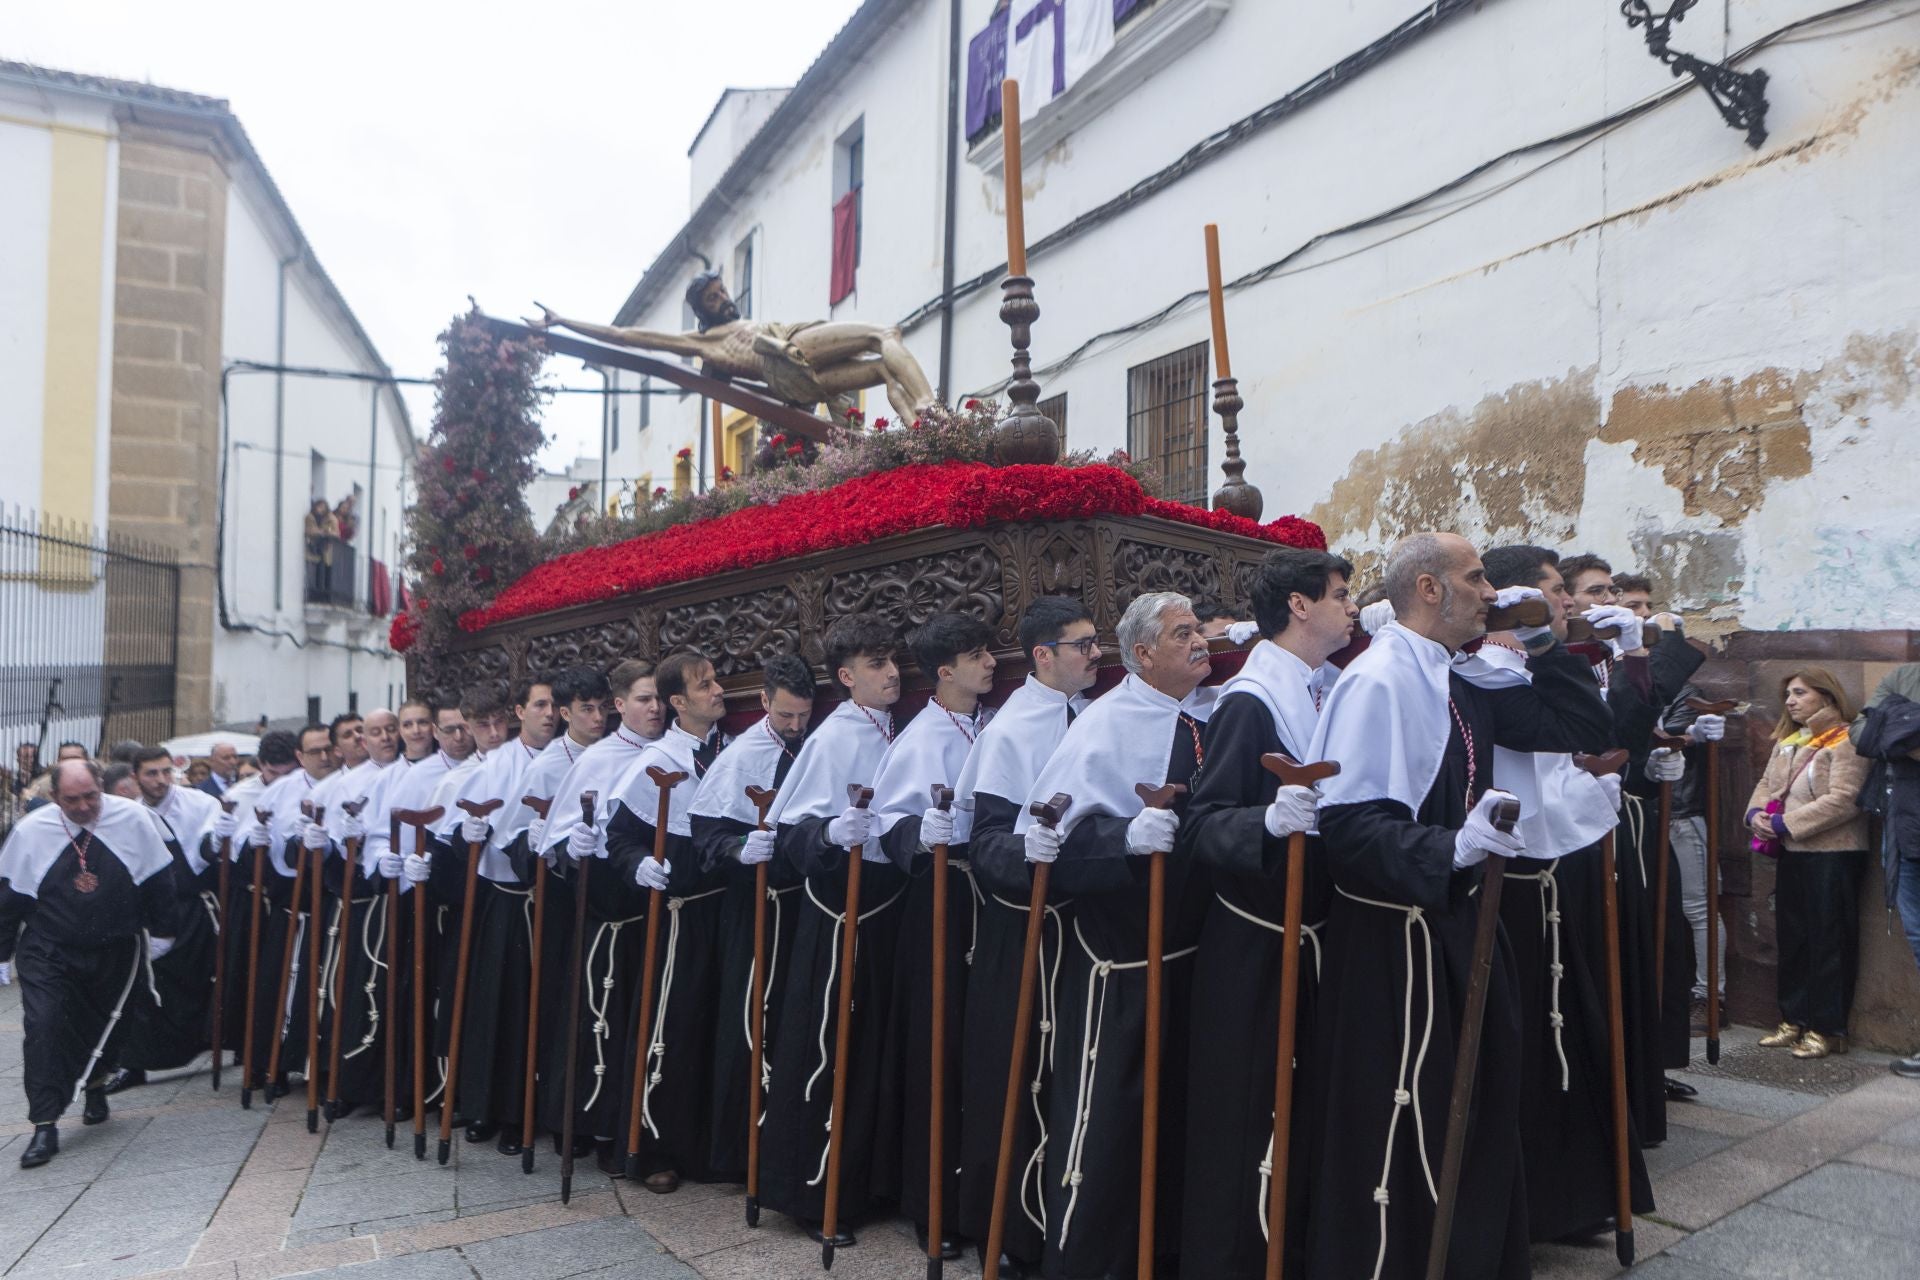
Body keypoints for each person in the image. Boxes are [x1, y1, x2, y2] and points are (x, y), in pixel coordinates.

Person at [1304, 532, 1612, 1280]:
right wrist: (1449, 850)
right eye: (1477, 579)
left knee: (1476, 1108)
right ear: (1430, 589)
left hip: (1455, 923)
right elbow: (1346, 826)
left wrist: (1543, 642)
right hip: (1396, 941)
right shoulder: (1378, 681)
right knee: (1413, 1112)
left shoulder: (1457, 677)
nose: (1492, 593)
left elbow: (1581, 731)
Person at [1014, 591, 1212, 1279]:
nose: (1198, 640)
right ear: (1143, 654)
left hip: (1193, 947)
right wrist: (1126, 837)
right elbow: (1052, 840)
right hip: (1121, 958)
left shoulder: (1210, 713)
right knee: (1114, 1117)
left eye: (1198, 628)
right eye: (1180, 632)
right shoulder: (1106, 725)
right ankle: (1092, 1259)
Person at [1177, 548, 1355, 1279]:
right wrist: (1265, 824)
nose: (1351, 606)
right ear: (1300, 606)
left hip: (1317, 931)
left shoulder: (1327, 686)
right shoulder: (1251, 700)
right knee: (1247, 1108)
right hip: (1256, 940)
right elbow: (1203, 821)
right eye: (1340, 594)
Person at [1476, 544, 1652, 1240]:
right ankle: (1531, 1204)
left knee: (1565, 1035)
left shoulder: (1524, 665)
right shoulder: (1486, 674)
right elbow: (1576, 733)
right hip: (1501, 876)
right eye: (1552, 592)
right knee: (1524, 1047)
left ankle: (1570, 1197)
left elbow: (1590, 740)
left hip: (1547, 872)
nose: (1567, 603)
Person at [951, 596, 1101, 1279]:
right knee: (1017, 1083)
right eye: (1082, 645)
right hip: (1024, 932)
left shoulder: (1094, 715)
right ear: (1043, 656)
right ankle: (1010, 1232)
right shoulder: (1011, 731)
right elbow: (983, 843)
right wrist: (1029, 851)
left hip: (1080, 931)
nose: (1095, 655)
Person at [760, 613, 907, 1243]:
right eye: (876, 665)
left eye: (893, 660)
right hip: (837, 914)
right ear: (847, 677)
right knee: (827, 1048)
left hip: (883, 908)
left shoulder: (897, 728)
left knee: (871, 1049)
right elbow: (789, 837)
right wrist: (829, 832)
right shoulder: (834, 736)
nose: (893, 673)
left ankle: (863, 1183)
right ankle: (811, 1191)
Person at [872, 612, 998, 1258]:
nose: (991, 664)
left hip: (987, 900)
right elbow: (887, 822)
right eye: (976, 655)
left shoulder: (990, 725)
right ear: (944, 671)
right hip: (939, 904)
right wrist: (919, 836)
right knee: (937, 1051)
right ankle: (931, 1204)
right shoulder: (921, 739)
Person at [0, 760, 177, 1167]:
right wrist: (2, 953)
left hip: (114, 948)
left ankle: (96, 1083)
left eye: (90, 797)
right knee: (44, 1026)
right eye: (71, 799)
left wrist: (165, 932)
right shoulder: (31, 831)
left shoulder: (133, 819)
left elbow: (160, 882)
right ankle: (45, 1124)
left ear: (103, 788)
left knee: (107, 1023)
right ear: (54, 797)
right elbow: (9, 898)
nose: (82, 807)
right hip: (49, 950)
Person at [601, 651, 730, 1188]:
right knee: (670, 1030)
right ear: (679, 702)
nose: (719, 690)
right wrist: (641, 865)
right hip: (680, 919)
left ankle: (706, 1148)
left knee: (715, 1032)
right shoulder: (658, 761)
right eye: (705, 685)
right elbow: (618, 839)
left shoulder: (731, 752)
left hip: (726, 911)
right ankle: (652, 1148)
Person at [689, 653, 816, 1180]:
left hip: (803, 904)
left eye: (802, 716)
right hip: (754, 907)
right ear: (764, 702)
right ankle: (740, 1152)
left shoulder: (813, 744)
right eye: (785, 715)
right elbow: (708, 837)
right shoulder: (742, 755)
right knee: (749, 1024)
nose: (793, 726)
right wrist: (742, 847)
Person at [534, 660, 666, 1155]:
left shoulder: (671, 751)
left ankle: (634, 1129)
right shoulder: (600, 757)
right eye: (642, 699)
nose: (653, 708)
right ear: (620, 706)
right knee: (596, 1021)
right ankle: (583, 1121)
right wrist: (577, 846)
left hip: (656, 911)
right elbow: (559, 844)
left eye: (657, 699)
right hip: (607, 915)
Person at [429, 676, 557, 1150]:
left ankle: (551, 1110)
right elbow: (450, 837)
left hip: (556, 900)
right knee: (500, 1010)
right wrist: (467, 835)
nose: (549, 713)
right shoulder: (490, 768)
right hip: (506, 897)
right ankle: (496, 1110)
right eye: (539, 704)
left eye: (553, 705)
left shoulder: (570, 758)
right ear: (522, 711)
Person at [1745, 668, 1869, 1059]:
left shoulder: (1847, 739)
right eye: (1787, 694)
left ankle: (1827, 1028)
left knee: (1829, 941)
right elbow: (1765, 786)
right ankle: (1793, 1019)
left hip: (1833, 853)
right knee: (1794, 937)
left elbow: (1846, 799)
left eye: (1799, 693)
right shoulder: (1789, 740)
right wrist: (1756, 816)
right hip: (1793, 852)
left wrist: (1786, 823)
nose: (1790, 701)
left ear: (1827, 697)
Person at [232, 724, 337, 1096]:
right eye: (314, 751)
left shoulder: (348, 783)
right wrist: (252, 841)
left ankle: (321, 1066)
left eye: (329, 749)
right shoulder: (282, 790)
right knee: (279, 984)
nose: (324, 757)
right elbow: (245, 837)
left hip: (332, 901)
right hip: (290, 899)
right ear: (299, 756)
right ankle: (270, 1063)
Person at [114, 745, 224, 1085]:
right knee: (145, 984)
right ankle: (134, 1064)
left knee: (202, 982)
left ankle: (219, 1044)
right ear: (135, 777)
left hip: (195, 908)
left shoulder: (201, 803)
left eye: (166, 772)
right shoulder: (128, 814)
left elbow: (211, 845)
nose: (161, 780)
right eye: (152, 773)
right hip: (152, 914)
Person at [1850, 662, 1920, 1079]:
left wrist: (1899, 723)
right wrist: (1906, 741)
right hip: (1908, 830)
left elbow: (1882, 730)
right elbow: (1861, 734)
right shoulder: (1902, 677)